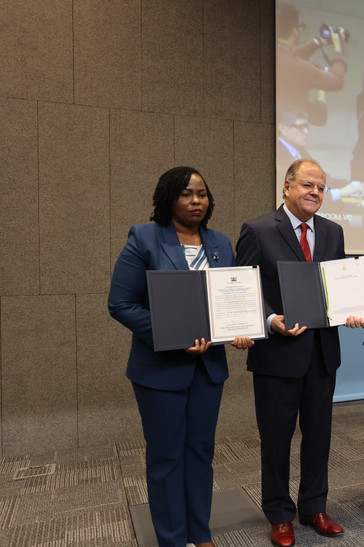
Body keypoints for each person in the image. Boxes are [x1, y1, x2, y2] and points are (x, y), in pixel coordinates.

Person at [108, 167, 254, 547]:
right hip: (160, 371)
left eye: (202, 194)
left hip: (208, 371)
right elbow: (120, 304)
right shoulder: (145, 238)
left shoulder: (220, 242)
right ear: (169, 197)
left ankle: (199, 532)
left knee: (200, 452)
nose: (196, 202)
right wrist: (172, 336)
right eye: (187, 194)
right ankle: (173, 539)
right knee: (166, 456)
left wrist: (241, 329)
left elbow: (230, 300)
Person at [235, 159, 364, 547]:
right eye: (308, 185)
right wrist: (270, 318)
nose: (315, 193)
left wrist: (351, 309)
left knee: (319, 437)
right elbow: (244, 290)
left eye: (321, 188)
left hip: (322, 354)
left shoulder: (332, 231)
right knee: (276, 440)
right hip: (278, 355)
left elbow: (337, 285)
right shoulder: (258, 230)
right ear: (287, 187)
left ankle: (314, 507)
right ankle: (278, 514)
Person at [276, 2, 346, 126]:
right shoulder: (296, 67)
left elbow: (290, 53)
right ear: (294, 31)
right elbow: (336, 81)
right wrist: (338, 51)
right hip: (289, 130)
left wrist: (318, 41)